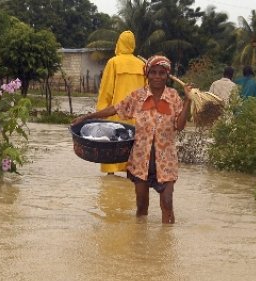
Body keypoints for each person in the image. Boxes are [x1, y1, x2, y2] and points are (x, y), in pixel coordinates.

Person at [72, 55, 192, 224]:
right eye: (153, 72)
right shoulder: (138, 97)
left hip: (166, 162)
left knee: (167, 206)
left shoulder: (174, 97)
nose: (157, 76)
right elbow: (114, 109)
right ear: (147, 74)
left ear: (167, 76)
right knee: (142, 209)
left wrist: (188, 100)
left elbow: (179, 126)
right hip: (140, 160)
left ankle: (166, 246)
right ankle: (139, 245)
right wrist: (87, 117)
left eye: (162, 73)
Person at [96, 30, 146, 175]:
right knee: (132, 149)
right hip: (137, 117)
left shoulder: (113, 63)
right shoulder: (142, 65)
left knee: (111, 148)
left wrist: (101, 112)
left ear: (119, 43)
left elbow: (106, 91)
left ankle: (111, 176)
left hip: (115, 114)